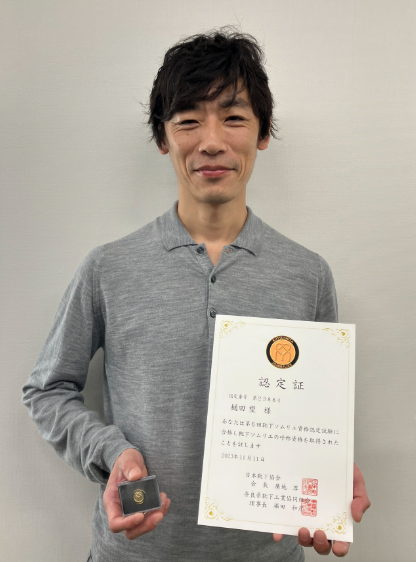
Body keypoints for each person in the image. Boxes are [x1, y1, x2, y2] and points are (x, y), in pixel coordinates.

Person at [22, 26, 370, 562]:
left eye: (233, 117)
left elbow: (314, 415)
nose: (211, 141)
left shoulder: (308, 275)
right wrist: (110, 451)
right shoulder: (109, 268)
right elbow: (47, 389)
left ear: (263, 133)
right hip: (133, 552)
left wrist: (327, 476)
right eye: (187, 120)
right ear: (163, 139)